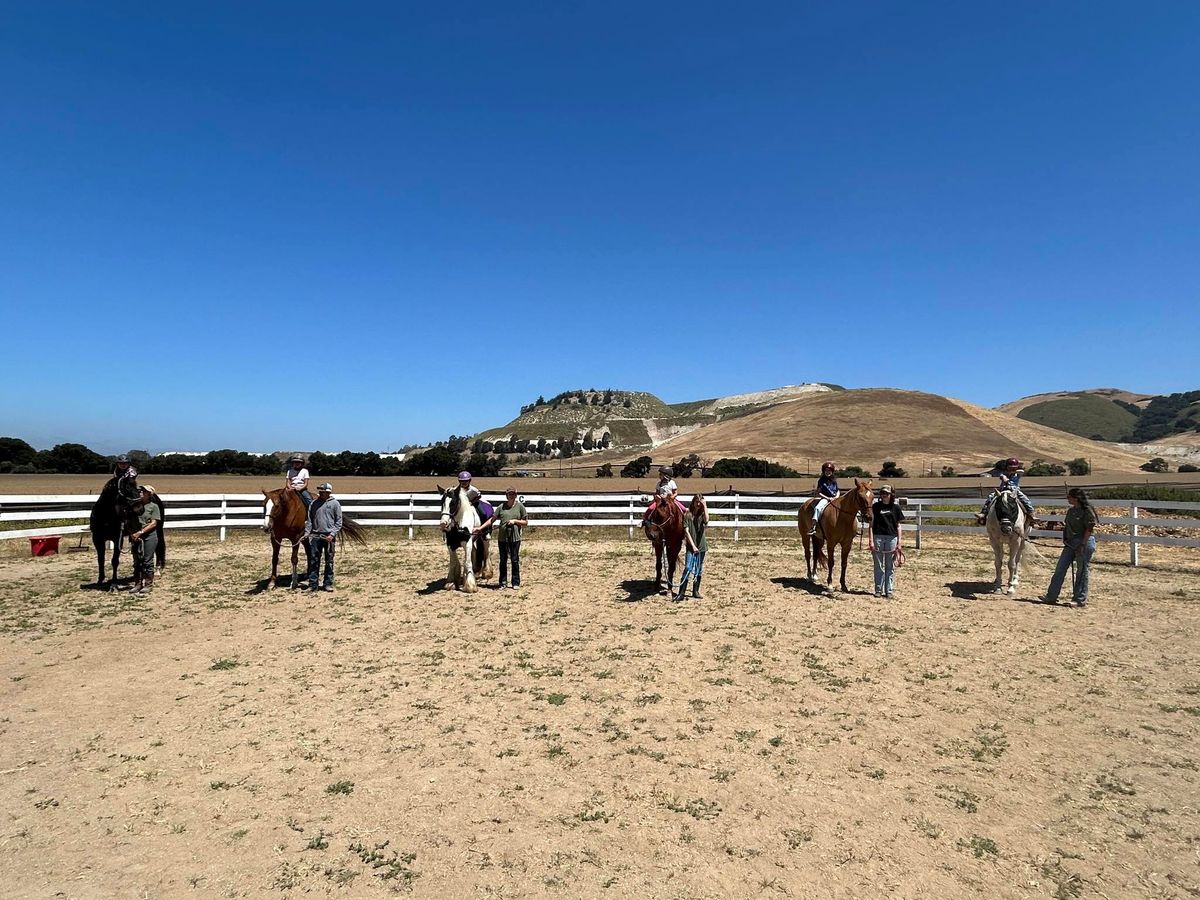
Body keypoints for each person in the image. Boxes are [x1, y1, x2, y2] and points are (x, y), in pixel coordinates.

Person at [1039, 487, 1098, 607]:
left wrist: (1082, 544)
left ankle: (1079, 599)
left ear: (1076, 498)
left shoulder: (1087, 510)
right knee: (1060, 568)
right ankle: (1051, 596)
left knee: (1082, 571)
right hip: (1070, 543)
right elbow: (1067, 526)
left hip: (1084, 543)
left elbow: (1089, 528)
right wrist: (1065, 538)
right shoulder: (1071, 511)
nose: (1067, 499)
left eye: (1069, 497)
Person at [477, 487, 529, 589]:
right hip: (502, 538)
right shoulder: (501, 507)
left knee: (514, 560)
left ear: (516, 495)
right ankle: (503, 582)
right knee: (503, 560)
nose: (511, 496)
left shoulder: (520, 507)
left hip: (515, 538)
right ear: (506, 495)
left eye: (513, 494)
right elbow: (492, 519)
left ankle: (515, 582)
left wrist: (515, 521)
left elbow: (525, 522)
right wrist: (480, 528)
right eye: (509, 494)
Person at [868, 484, 906, 598]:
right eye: (882, 493)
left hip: (891, 538)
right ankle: (878, 590)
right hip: (878, 537)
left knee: (890, 566)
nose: (884, 495)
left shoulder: (896, 508)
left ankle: (889, 590)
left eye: (886, 493)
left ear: (891, 495)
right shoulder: (875, 507)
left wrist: (899, 542)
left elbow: (898, 526)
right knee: (878, 566)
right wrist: (871, 540)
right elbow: (871, 525)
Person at [304, 482, 342, 592]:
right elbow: (310, 520)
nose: (320, 493)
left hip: (329, 537)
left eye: (322, 491)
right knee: (314, 560)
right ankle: (313, 584)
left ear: (328, 492)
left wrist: (332, 534)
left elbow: (339, 521)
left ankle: (327, 583)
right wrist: (307, 533)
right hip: (316, 536)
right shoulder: (314, 504)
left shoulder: (335, 504)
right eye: (320, 491)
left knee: (329, 561)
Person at [976, 457, 1035, 525]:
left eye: (1014, 467)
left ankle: (1032, 514)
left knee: (1025, 499)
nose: (1012, 469)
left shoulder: (1018, 474)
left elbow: (1022, 472)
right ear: (1006, 467)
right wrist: (1005, 477)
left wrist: (1012, 472)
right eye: (1010, 467)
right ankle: (984, 513)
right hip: (1003, 489)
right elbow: (1002, 477)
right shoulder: (1003, 474)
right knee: (990, 497)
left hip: (1015, 491)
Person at [675, 493, 709, 601]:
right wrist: (693, 546)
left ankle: (695, 591)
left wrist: (705, 506)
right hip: (691, 547)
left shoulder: (702, 514)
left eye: (700, 502)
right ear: (693, 502)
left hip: (702, 546)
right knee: (688, 568)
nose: (698, 504)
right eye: (696, 502)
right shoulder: (687, 515)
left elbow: (707, 520)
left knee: (698, 569)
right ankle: (681, 592)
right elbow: (686, 532)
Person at [129, 484, 161, 593]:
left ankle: (148, 584)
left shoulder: (154, 507)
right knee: (137, 561)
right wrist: (132, 533)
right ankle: (137, 583)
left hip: (149, 536)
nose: (141, 492)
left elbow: (154, 523)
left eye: (144, 491)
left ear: (149, 494)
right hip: (136, 536)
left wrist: (141, 532)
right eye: (140, 490)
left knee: (147, 561)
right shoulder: (135, 506)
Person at [809, 461, 840, 536]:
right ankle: (813, 527)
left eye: (829, 470)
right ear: (824, 471)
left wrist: (836, 497)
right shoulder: (821, 481)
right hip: (825, 499)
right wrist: (828, 498)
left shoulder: (834, 480)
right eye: (826, 470)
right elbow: (819, 493)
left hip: (835, 498)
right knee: (817, 508)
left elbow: (837, 490)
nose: (828, 472)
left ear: (832, 471)